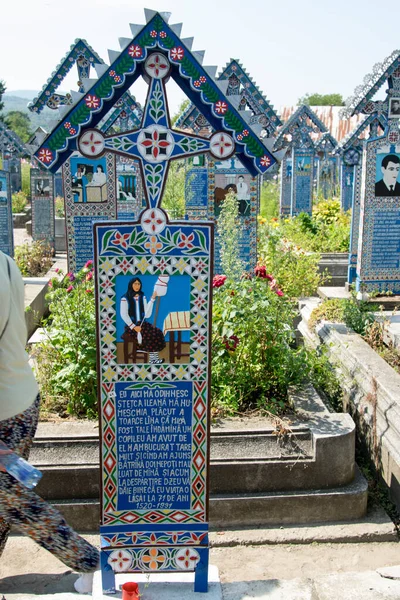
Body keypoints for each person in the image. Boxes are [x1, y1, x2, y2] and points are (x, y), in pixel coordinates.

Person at [0, 251, 99, 593]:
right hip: (21, 397)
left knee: (16, 502)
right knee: (5, 499)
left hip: (4, 410)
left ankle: (88, 561)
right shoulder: (5, 262)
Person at [120, 277, 165, 364]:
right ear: (131, 285)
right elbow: (124, 314)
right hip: (131, 326)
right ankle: (151, 357)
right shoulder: (125, 298)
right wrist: (133, 327)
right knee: (150, 335)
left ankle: (153, 359)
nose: (137, 286)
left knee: (157, 332)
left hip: (142, 324)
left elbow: (147, 314)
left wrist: (152, 299)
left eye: (139, 284)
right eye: (135, 284)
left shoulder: (142, 297)